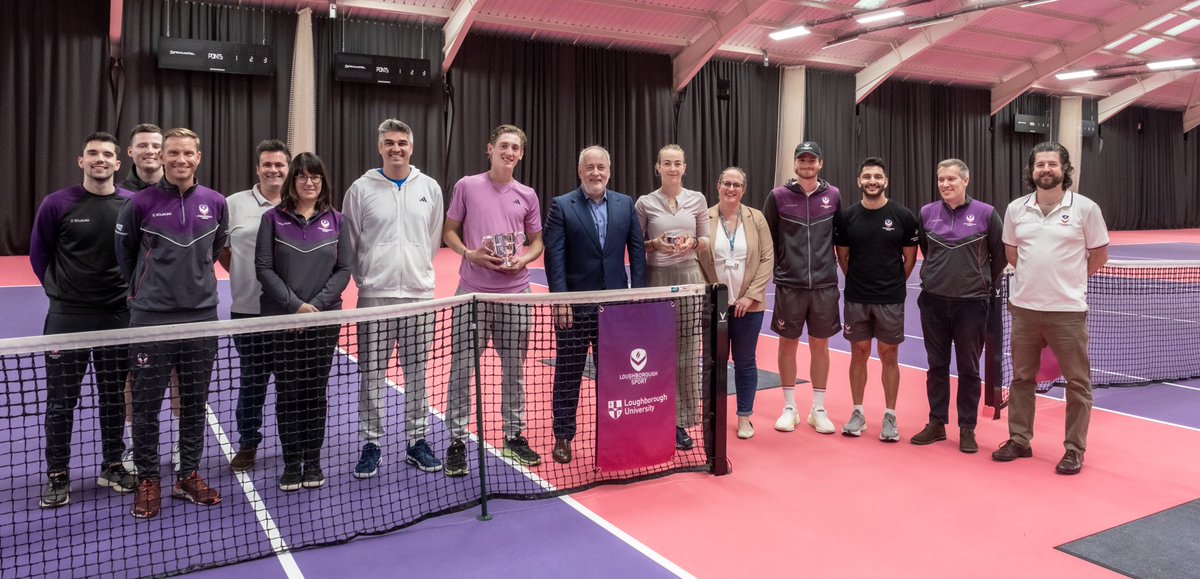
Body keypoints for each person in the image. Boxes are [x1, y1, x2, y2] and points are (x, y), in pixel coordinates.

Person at [116, 127, 227, 518]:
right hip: (151, 320)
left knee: (194, 404)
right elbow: (125, 255)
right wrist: (149, 293)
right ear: (161, 157)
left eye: (188, 154)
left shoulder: (215, 202)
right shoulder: (139, 203)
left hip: (200, 319)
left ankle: (188, 475)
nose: (181, 160)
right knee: (147, 406)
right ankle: (148, 479)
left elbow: (214, 250)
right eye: (173, 153)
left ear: (199, 157)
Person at [30, 132, 135, 507]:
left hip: (117, 316)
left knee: (113, 398)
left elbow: (140, 254)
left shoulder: (131, 203)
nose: (100, 159)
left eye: (108, 154)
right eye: (93, 153)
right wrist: (61, 293)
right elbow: (38, 255)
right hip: (67, 317)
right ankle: (57, 475)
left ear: (118, 164)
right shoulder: (56, 203)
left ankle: (112, 465)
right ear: (81, 160)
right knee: (61, 401)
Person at [994, 142, 1108, 475]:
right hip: (1024, 310)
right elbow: (1012, 254)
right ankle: (1019, 440)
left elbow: (1099, 255)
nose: (1046, 169)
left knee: (1077, 383)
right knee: (1021, 379)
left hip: (1068, 312)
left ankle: (1074, 449)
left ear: (1064, 169)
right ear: (1031, 171)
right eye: (1040, 164)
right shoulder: (1016, 209)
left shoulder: (1086, 209)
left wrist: (1069, 280)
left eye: (1052, 164)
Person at [343, 119, 444, 478]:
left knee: (417, 373)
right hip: (375, 298)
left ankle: (417, 440)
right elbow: (351, 243)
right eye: (389, 142)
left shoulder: (429, 188)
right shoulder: (360, 189)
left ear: (411, 147)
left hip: (419, 298)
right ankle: (372, 443)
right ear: (379, 147)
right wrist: (369, 279)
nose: (396, 148)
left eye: (402, 142)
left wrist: (415, 271)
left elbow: (432, 239)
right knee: (372, 374)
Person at [442, 125, 544, 474]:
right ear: (490, 149)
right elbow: (449, 232)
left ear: (521, 154)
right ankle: (456, 440)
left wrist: (524, 260)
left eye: (516, 147)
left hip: (516, 295)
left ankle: (513, 435)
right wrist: (469, 254)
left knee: (514, 370)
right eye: (504, 145)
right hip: (472, 294)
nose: (509, 152)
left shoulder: (527, 194)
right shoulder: (467, 186)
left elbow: (536, 242)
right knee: (461, 368)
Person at [544, 145, 646, 464]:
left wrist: (636, 298)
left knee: (616, 376)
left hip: (614, 311)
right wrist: (561, 301)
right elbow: (554, 258)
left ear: (609, 170)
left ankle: (615, 431)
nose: (596, 173)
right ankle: (563, 436)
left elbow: (638, 253)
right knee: (568, 375)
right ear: (580, 171)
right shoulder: (561, 206)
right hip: (574, 310)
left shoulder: (625, 204)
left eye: (601, 167)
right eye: (590, 167)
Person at [256, 152, 351, 491]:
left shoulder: (337, 220)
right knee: (288, 392)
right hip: (282, 321)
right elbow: (264, 269)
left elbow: (344, 270)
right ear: (292, 181)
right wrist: (295, 307)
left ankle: (312, 461)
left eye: (316, 177)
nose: (309, 182)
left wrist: (316, 308)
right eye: (302, 176)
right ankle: (291, 462)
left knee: (315, 392)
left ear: (323, 182)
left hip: (323, 323)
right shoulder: (272, 219)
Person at [912, 159, 1006, 454]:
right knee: (936, 366)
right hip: (933, 303)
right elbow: (927, 251)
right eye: (941, 179)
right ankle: (937, 424)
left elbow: (999, 256)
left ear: (966, 181)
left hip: (972, 306)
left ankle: (967, 428)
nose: (945, 184)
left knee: (968, 368)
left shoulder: (987, 214)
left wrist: (979, 283)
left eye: (951, 179)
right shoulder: (927, 213)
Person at [834, 157, 918, 442]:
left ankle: (890, 416)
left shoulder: (903, 216)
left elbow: (909, 259)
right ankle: (857, 412)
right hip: (857, 298)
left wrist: (891, 283)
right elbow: (842, 256)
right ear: (859, 181)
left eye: (877, 176)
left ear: (885, 181)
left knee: (889, 355)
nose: (872, 181)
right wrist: (858, 279)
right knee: (858, 353)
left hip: (890, 299)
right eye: (867, 176)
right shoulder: (847, 217)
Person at [763, 141, 842, 435]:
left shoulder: (833, 196)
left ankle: (818, 409)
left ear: (820, 164)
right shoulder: (778, 196)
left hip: (824, 285)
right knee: (788, 345)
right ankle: (789, 408)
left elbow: (839, 237)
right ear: (794, 164)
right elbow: (768, 239)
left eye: (812, 160)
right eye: (802, 159)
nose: (807, 164)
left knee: (820, 345)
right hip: (790, 285)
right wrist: (777, 270)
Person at [220, 139, 289, 472]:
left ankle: (295, 445)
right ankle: (248, 444)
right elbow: (222, 249)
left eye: (279, 165)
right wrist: (242, 274)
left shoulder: (299, 204)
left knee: (292, 384)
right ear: (258, 168)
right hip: (247, 312)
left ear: (287, 169)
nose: (273, 170)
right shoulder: (232, 204)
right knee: (252, 382)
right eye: (267, 164)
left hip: (291, 314)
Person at [635, 144, 709, 451]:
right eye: (667, 163)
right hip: (657, 281)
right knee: (656, 353)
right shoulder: (644, 203)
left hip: (690, 279)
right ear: (658, 167)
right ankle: (653, 413)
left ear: (684, 167)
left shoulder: (698, 200)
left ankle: (681, 421)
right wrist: (655, 244)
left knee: (688, 353)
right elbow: (636, 243)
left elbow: (705, 240)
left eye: (677, 163)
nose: (673, 168)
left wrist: (693, 241)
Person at [698, 167, 773, 440]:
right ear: (718, 186)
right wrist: (713, 294)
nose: (732, 189)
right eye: (727, 183)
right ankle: (712, 417)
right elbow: (697, 259)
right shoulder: (704, 217)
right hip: (713, 305)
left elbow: (767, 258)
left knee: (745, 362)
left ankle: (744, 418)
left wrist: (750, 295)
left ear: (744, 190)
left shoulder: (757, 219)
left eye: (737, 185)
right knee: (712, 363)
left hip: (748, 307)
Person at [117, 124, 163, 192]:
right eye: (142, 146)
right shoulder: (119, 193)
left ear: (165, 151)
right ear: (130, 152)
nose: (149, 151)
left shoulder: (180, 190)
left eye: (156, 146)